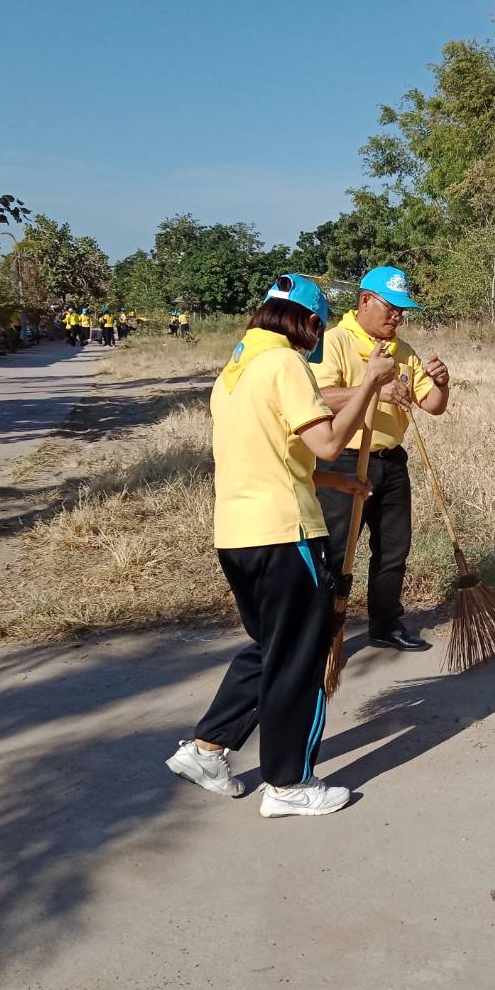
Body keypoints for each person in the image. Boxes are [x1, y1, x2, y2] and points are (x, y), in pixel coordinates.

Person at [165, 274, 397, 816]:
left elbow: (270, 455)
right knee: (302, 657)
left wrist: (335, 482)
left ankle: (206, 749)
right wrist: (370, 381)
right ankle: (289, 784)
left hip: (237, 535)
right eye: (317, 327)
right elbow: (330, 440)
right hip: (285, 536)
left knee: (271, 647)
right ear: (308, 323)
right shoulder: (285, 364)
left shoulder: (234, 371)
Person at [313, 266, 450, 652]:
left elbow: (433, 406)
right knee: (336, 551)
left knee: (394, 549)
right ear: (364, 301)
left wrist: (441, 383)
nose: (398, 317)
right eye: (392, 308)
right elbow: (318, 397)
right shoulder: (334, 342)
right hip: (342, 462)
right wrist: (372, 389)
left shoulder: (403, 351)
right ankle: (322, 630)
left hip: (391, 462)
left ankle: (386, 624)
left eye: (403, 310)